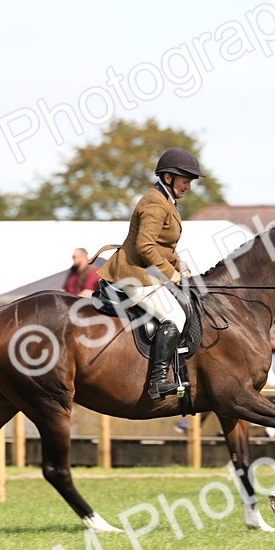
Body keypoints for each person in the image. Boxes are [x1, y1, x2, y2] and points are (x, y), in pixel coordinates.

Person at [98, 147, 204, 399]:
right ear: (168, 178)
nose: (189, 186)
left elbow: (161, 243)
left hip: (147, 271)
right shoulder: (155, 203)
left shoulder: (166, 200)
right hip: (134, 274)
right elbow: (144, 246)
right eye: (186, 181)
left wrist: (179, 263)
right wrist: (171, 273)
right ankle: (157, 382)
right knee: (175, 317)